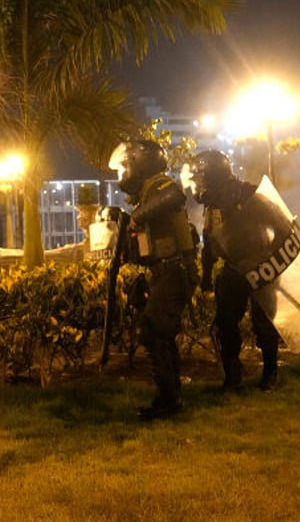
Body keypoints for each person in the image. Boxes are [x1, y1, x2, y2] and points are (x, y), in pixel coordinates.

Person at [108, 139, 198, 420]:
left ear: (140, 163)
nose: (123, 170)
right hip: (165, 271)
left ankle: (168, 400)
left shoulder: (160, 184)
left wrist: (136, 217)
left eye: (126, 164)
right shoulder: (146, 194)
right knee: (162, 333)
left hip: (175, 270)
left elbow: (173, 196)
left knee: (152, 330)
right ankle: (173, 396)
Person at [190, 150, 281, 392]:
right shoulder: (212, 204)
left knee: (264, 322)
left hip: (261, 266)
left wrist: (271, 256)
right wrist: (207, 275)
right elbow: (210, 240)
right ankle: (233, 375)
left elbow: (280, 223)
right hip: (232, 268)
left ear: (213, 174)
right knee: (225, 322)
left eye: (201, 177)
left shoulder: (249, 193)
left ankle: (270, 373)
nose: (198, 183)